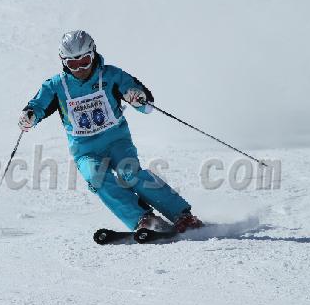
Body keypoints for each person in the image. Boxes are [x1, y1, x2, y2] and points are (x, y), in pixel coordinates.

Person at [18, 30, 202, 233]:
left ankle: (181, 215)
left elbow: (145, 103)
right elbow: (38, 106)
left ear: (93, 54)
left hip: (116, 141)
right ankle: (143, 219)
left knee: (130, 174)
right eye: (73, 64)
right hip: (85, 150)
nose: (80, 69)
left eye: (85, 62)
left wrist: (137, 98)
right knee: (96, 177)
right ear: (63, 61)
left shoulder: (111, 75)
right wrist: (30, 116)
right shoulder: (55, 86)